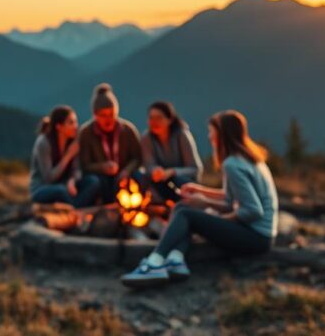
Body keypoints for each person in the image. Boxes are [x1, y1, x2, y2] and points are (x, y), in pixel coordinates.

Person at [120, 109, 278, 288]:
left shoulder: (232, 164)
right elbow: (232, 197)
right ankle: (175, 260)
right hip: (260, 235)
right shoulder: (248, 159)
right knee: (183, 208)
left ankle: (154, 263)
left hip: (255, 238)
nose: (210, 137)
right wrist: (199, 191)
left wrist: (218, 217)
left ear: (222, 135)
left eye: (212, 132)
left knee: (187, 215)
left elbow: (252, 211)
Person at [77, 83, 142, 204]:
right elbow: (84, 165)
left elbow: (137, 157)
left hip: (126, 175)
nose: (108, 120)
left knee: (139, 177)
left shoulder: (127, 130)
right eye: (103, 115)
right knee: (99, 181)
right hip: (101, 177)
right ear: (95, 115)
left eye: (111, 114)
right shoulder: (86, 133)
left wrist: (126, 171)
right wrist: (103, 167)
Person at [29, 105, 101, 207]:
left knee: (93, 181)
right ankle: (77, 208)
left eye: (76, 121)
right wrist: (68, 156)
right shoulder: (44, 143)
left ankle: (74, 207)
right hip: (42, 188)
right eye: (71, 123)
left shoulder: (73, 141)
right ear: (59, 126)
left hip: (65, 185)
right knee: (61, 191)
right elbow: (48, 178)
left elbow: (77, 169)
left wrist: (72, 181)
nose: (76, 126)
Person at [137, 100, 203, 203]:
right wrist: (155, 171)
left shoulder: (182, 135)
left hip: (183, 184)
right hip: (159, 183)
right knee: (140, 177)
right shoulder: (146, 138)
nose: (154, 122)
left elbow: (195, 169)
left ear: (170, 120)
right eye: (151, 118)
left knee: (178, 181)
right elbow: (148, 165)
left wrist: (172, 172)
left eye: (159, 118)